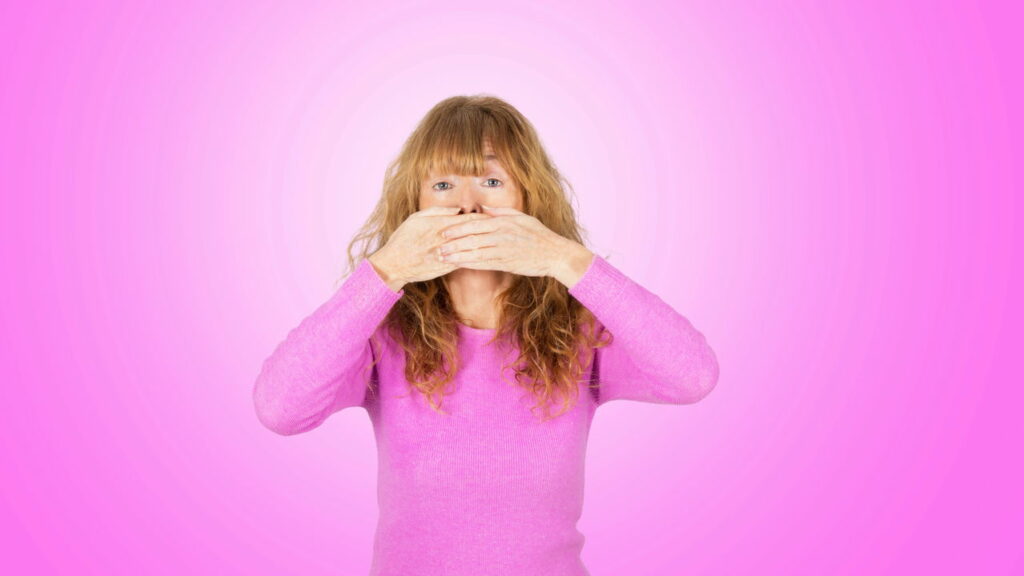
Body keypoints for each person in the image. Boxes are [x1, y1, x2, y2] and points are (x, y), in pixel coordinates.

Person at [252, 95, 720, 576]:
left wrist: (565, 259)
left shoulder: (580, 328)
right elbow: (279, 408)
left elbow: (693, 377)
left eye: (492, 182)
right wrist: (386, 270)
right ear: (414, 205)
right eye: (443, 184)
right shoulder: (381, 331)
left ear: (529, 199)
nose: (468, 207)